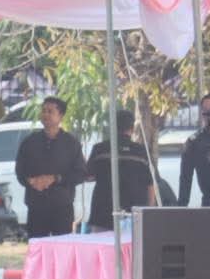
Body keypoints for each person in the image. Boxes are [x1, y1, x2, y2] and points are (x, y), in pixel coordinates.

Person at [15, 96, 85, 238]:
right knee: (38, 248)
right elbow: (20, 171)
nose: (45, 114)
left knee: (62, 249)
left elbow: (80, 174)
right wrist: (31, 181)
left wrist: (55, 179)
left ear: (60, 116)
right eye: (43, 111)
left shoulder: (71, 143)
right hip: (36, 206)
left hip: (62, 206)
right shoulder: (30, 142)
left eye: (50, 111)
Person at [87, 110, 158, 232]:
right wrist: (148, 212)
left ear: (112, 126)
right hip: (134, 215)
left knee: (103, 249)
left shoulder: (99, 149)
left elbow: (88, 176)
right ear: (132, 128)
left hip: (102, 213)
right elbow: (151, 185)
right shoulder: (141, 152)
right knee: (132, 250)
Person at [176, 92, 210, 206]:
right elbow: (185, 178)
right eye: (205, 111)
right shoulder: (195, 142)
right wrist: (181, 208)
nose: (208, 114)